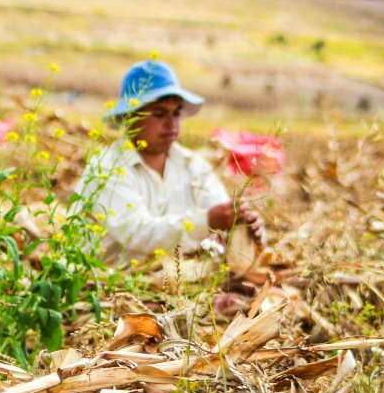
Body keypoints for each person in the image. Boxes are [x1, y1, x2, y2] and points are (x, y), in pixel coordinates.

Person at [72, 60, 263, 262]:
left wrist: (243, 226)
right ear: (130, 117)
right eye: (160, 114)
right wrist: (207, 221)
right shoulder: (107, 169)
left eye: (176, 113)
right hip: (107, 284)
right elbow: (136, 232)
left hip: (171, 279)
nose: (171, 123)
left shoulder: (193, 166)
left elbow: (222, 216)